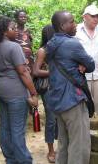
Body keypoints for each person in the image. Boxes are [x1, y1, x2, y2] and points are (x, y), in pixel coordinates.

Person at [0, 16, 39, 164]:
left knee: (5, 127)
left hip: (1, 90)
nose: (16, 31)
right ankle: (24, 160)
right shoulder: (14, 47)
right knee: (18, 129)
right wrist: (33, 93)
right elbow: (23, 72)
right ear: (5, 32)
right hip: (16, 92)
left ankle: (10, 159)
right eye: (12, 28)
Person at [45, 11, 95, 164]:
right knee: (79, 146)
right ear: (62, 26)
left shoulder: (51, 43)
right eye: (72, 22)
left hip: (58, 101)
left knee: (63, 143)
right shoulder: (72, 43)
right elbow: (91, 65)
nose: (75, 25)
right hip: (73, 100)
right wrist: (82, 65)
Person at [33, 24, 57, 163]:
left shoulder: (59, 48)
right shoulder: (43, 51)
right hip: (48, 88)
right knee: (51, 119)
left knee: (61, 118)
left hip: (59, 87)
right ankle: (51, 150)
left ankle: (61, 146)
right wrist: (53, 72)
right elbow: (36, 71)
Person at [14, 10, 34, 74]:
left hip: (29, 58)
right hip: (19, 59)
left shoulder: (28, 30)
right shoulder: (13, 30)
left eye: (25, 17)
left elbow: (30, 43)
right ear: (16, 19)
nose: (23, 18)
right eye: (21, 17)